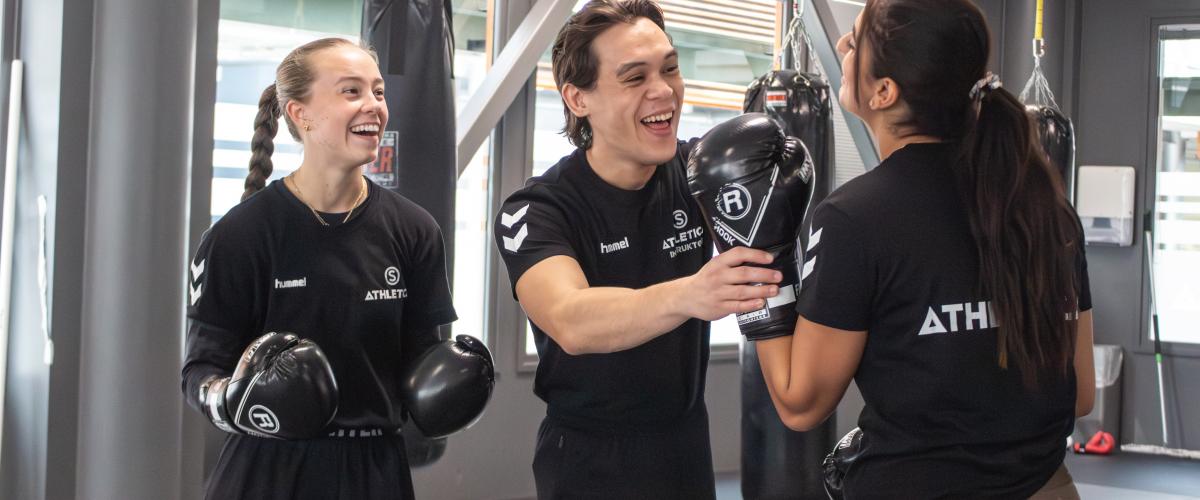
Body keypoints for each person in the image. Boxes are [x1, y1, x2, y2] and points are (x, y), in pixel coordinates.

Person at [749, 1, 1096, 498]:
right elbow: (1080, 394)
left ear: (884, 91)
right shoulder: (1048, 209)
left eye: (855, 40)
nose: (842, 45)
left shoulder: (854, 218)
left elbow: (800, 404)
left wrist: (761, 259)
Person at [492, 1, 781, 498]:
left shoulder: (699, 174)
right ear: (577, 98)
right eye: (634, 77)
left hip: (687, 445)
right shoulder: (538, 209)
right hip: (591, 458)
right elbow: (570, 319)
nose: (663, 90)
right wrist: (692, 293)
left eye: (670, 68)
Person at [181, 37, 458, 500]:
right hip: (269, 468)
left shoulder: (415, 230)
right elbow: (198, 371)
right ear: (300, 113)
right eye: (351, 91)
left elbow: (423, 356)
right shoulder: (240, 234)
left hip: (375, 468)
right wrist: (231, 399)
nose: (373, 105)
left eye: (378, 92)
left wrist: (447, 384)